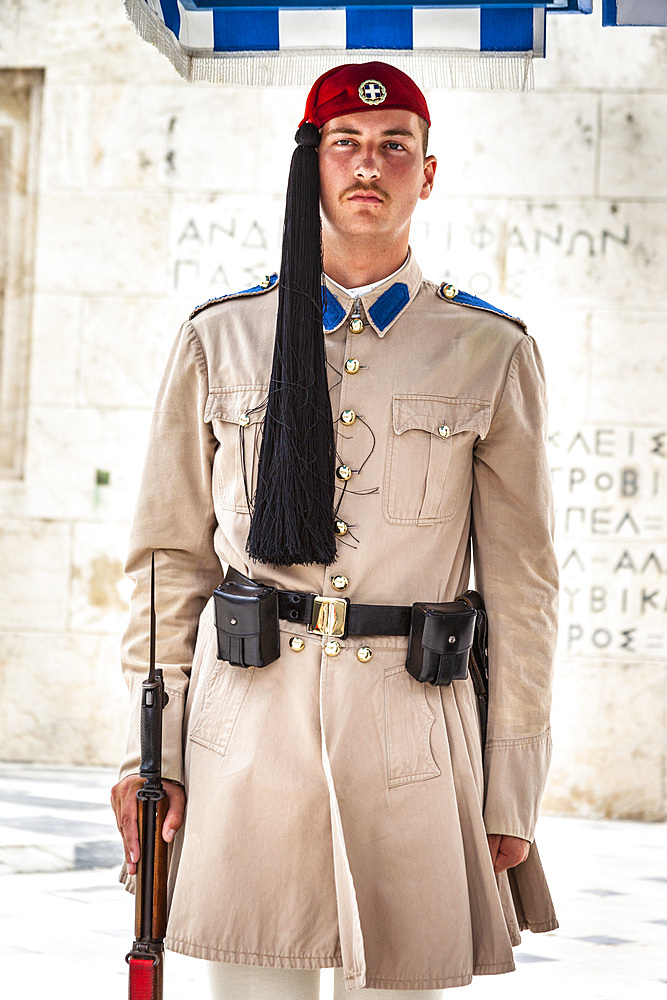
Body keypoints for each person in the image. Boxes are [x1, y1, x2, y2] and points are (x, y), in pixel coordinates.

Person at [111, 61, 559, 999]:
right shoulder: (221, 337)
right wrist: (147, 755)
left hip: (414, 737)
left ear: (426, 175)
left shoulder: (489, 350)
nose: (369, 164)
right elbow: (167, 563)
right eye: (343, 145)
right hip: (245, 733)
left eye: (395, 146)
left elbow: (523, 590)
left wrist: (510, 786)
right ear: (309, 165)